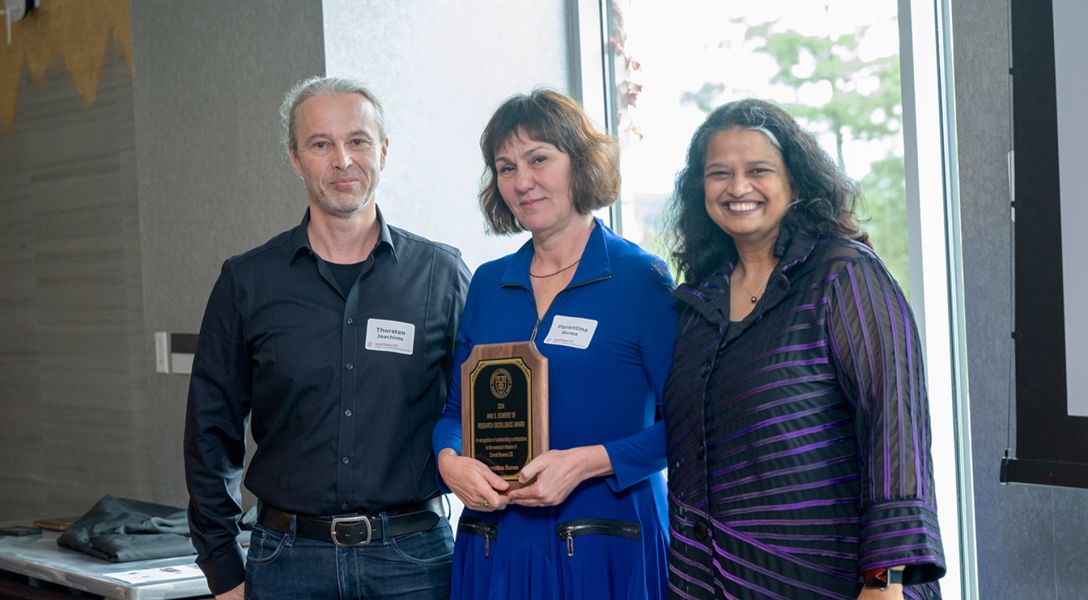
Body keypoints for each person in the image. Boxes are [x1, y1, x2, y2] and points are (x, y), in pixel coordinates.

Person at [184, 76, 470, 600]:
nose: (342, 159)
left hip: (415, 562)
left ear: (383, 151)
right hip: (287, 562)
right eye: (321, 144)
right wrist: (222, 566)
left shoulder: (441, 274)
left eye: (358, 141)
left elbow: (474, 414)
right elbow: (210, 430)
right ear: (296, 159)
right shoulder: (248, 281)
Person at [661, 99, 946, 600]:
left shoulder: (843, 274)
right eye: (719, 173)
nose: (738, 187)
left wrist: (885, 582)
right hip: (708, 581)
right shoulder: (698, 302)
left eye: (758, 170)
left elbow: (895, 430)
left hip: (832, 581)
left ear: (795, 182)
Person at [431, 89, 678, 599]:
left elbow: (691, 428)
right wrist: (449, 461)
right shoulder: (488, 283)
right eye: (505, 167)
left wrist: (587, 462)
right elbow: (456, 410)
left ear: (580, 164)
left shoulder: (641, 279)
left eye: (539, 158)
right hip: (499, 545)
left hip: (610, 546)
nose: (522, 182)